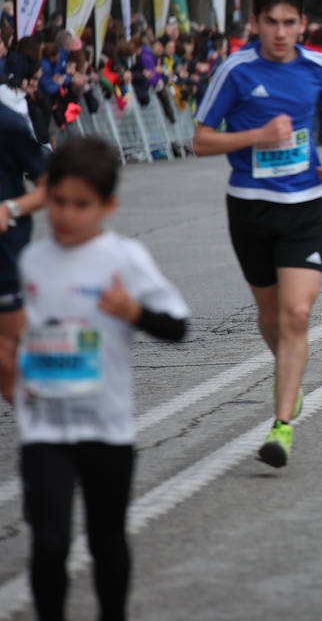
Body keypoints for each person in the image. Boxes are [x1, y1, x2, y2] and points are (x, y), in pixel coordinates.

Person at [10, 138, 189, 621]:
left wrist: (133, 311)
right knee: (49, 542)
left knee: (106, 540)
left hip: (106, 427)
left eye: (82, 205)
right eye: (59, 202)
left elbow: (177, 325)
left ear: (107, 205)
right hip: (44, 428)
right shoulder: (30, 262)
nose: (67, 215)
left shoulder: (123, 258)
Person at [193, 0, 322, 467]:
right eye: (270, 23)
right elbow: (200, 139)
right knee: (269, 316)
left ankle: (281, 425)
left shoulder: (320, 67)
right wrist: (257, 134)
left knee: (296, 315)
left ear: (303, 24)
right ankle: (289, 376)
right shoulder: (235, 70)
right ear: (255, 22)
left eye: (290, 23)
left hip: (302, 205)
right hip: (250, 205)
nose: (280, 32)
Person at [0, 89, 48, 403]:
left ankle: (50, 427)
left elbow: (49, 187)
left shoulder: (9, 123)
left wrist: (10, 209)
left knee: (9, 355)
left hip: (4, 250)